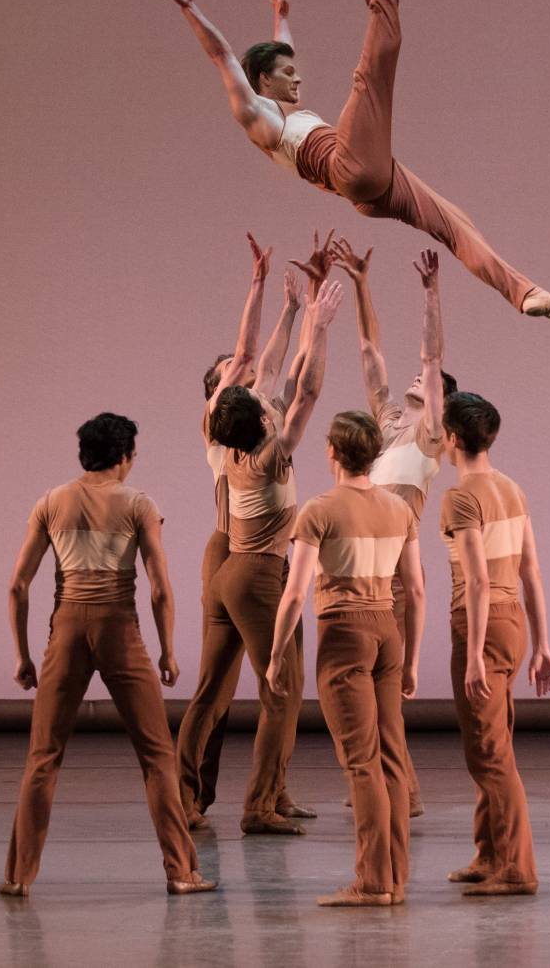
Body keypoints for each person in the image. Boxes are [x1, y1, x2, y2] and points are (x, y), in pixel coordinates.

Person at [151, 0, 550, 323]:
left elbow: (283, 52)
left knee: (455, 223)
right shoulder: (256, 115)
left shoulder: (286, 111)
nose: (298, 77)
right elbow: (222, 57)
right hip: (348, 167)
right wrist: (190, 8)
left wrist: (281, 16)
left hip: (368, 185)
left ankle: (526, 294)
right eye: (287, 73)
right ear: (262, 80)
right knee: (368, 80)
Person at [0, 413, 215, 897]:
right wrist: (167, 651)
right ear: (123, 458)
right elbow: (159, 588)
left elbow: (18, 585)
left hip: (67, 629)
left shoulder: (51, 503)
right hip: (119, 627)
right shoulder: (137, 504)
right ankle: (181, 872)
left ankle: (17, 877)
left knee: (43, 758)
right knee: (157, 756)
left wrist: (22, 655)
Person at [187, 278, 345, 835]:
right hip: (249, 567)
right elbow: (300, 386)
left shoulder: (230, 432)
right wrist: (317, 324)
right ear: (223, 392)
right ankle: (255, 803)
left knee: (225, 688)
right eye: (240, 379)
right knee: (274, 687)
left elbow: (277, 366)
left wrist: (289, 306)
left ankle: (261, 792)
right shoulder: (261, 449)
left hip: (243, 563)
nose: (254, 382)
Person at [267, 411, 426, 906]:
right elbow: (416, 590)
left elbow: (294, 594)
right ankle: (393, 877)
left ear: (332, 452)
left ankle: (374, 881)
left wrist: (276, 657)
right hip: (387, 632)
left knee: (361, 763)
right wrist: (414, 659)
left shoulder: (319, 510)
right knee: (391, 758)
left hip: (343, 633)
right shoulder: (400, 510)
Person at [332, 239, 452, 818]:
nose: (416, 373)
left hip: (398, 577)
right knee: (370, 702)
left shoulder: (430, 436)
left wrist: (432, 295)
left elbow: (430, 362)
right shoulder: (383, 423)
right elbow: (369, 348)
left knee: (388, 699)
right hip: (362, 574)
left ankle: (399, 798)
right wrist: (360, 284)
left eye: (430, 385)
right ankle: (399, 794)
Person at [438, 393, 550, 896]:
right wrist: (542, 644)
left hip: (481, 623)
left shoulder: (461, 497)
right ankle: (489, 853)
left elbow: (480, 581)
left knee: (487, 752)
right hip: (512, 625)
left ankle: (516, 868)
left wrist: (472, 659)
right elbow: (530, 569)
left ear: (451, 438)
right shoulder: (512, 489)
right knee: (496, 742)